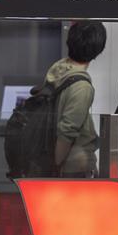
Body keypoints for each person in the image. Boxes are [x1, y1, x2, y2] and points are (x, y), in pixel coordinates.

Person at [47, 21, 107, 178]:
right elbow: (67, 131)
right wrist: (56, 166)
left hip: (60, 162)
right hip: (74, 167)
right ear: (98, 50)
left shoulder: (58, 69)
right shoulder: (81, 87)